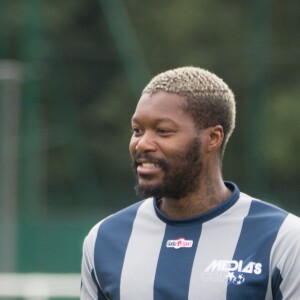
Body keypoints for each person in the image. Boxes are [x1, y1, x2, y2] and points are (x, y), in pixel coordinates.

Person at [80, 66, 300, 299]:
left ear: (213, 138)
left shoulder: (284, 238)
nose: (142, 143)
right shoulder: (103, 240)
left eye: (163, 131)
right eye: (137, 130)